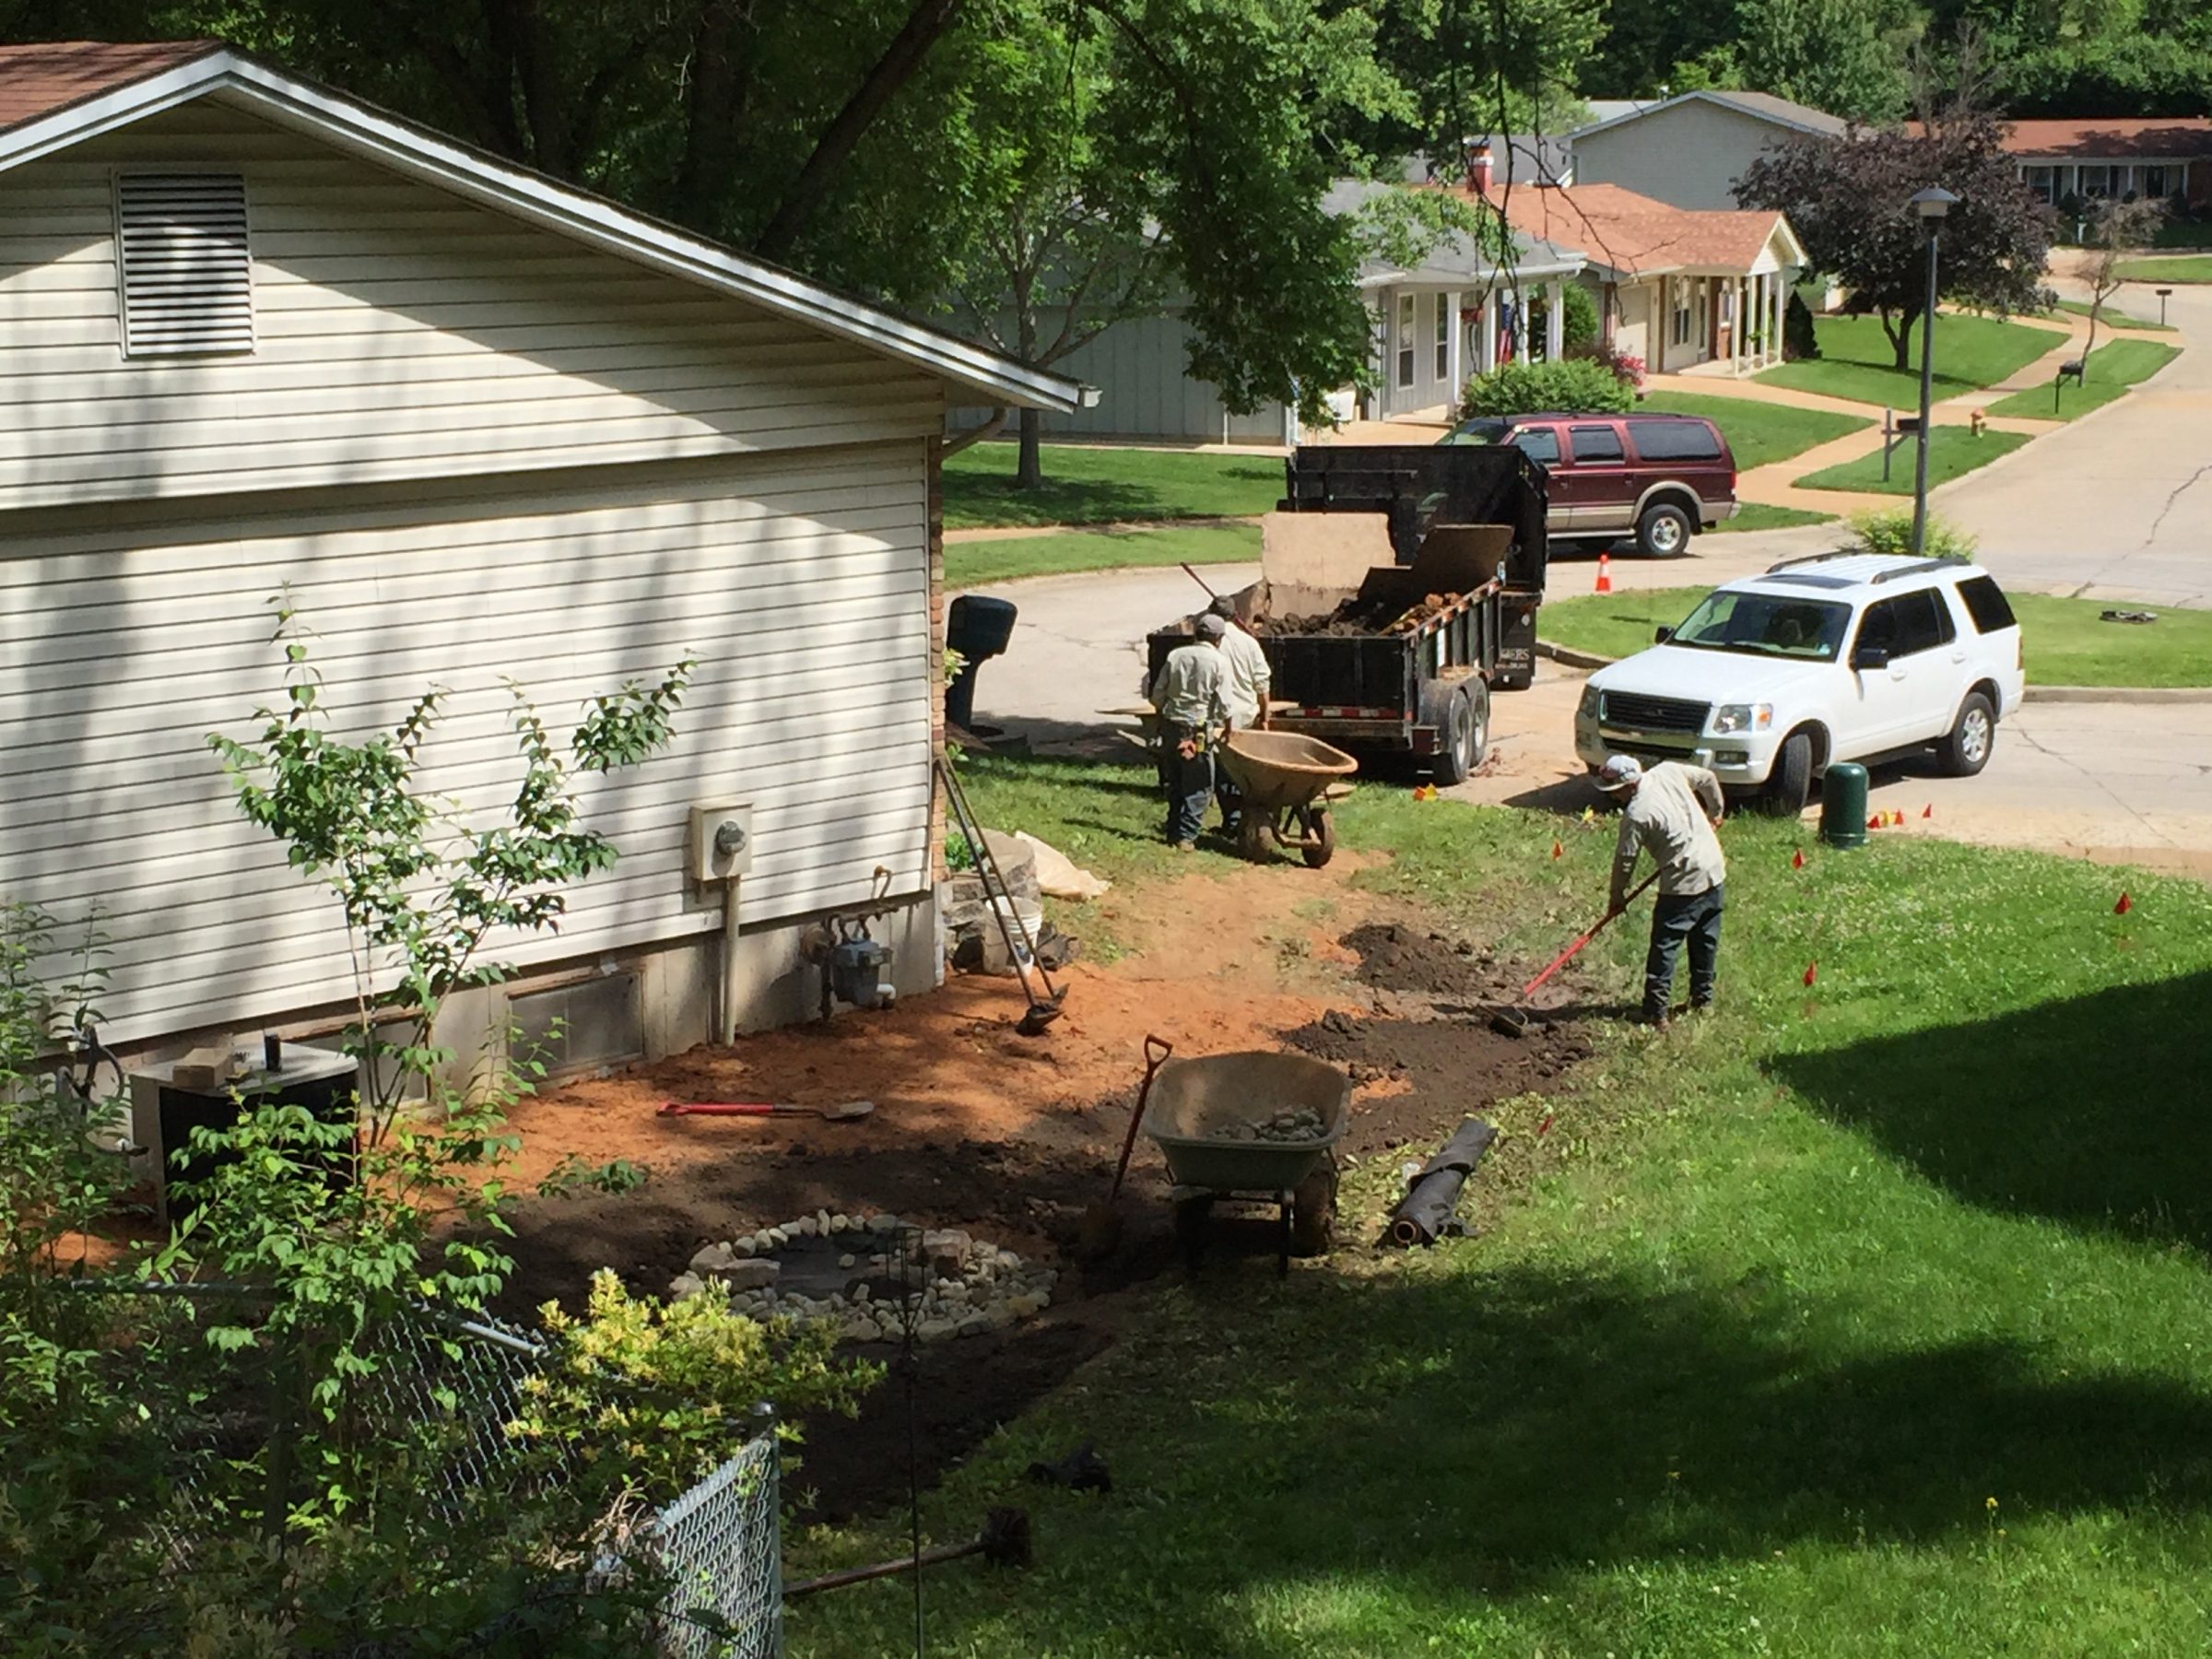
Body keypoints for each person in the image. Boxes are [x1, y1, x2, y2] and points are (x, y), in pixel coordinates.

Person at [1594, 753, 1726, 1027]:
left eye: (1615, 791)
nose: (1613, 797)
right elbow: (1708, 778)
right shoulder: (1669, 771)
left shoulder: (1636, 814)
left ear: (1629, 785)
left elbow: (1625, 860)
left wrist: (1616, 897)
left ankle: (1655, 1012)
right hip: (1714, 868)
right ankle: (1703, 1001)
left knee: (1664, 946)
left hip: (1683, 883)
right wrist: (1716, 812)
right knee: (1705, 940)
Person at [1149, 615, 1230, 851]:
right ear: (1218, 638)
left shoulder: (1176, 655)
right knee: (1200, 785)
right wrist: (1226, 727)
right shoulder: (1218, 662)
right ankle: (1187, 836)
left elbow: (1157, 694)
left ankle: (1173, 831)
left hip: (1172, 726)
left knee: (1175, 780)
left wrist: (1163, 714)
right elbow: (1225, 704)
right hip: (1198, 731)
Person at [1207, 596, 1271, 835]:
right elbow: (1262, 684)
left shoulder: (1211, 644)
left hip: (1218, 719)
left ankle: (1233, 822)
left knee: (1225, 774)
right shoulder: (1249, 643)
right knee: (1246, 772)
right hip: (1247, 716)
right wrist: (1265, 716)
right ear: (1235, 616)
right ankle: (1247, 820)